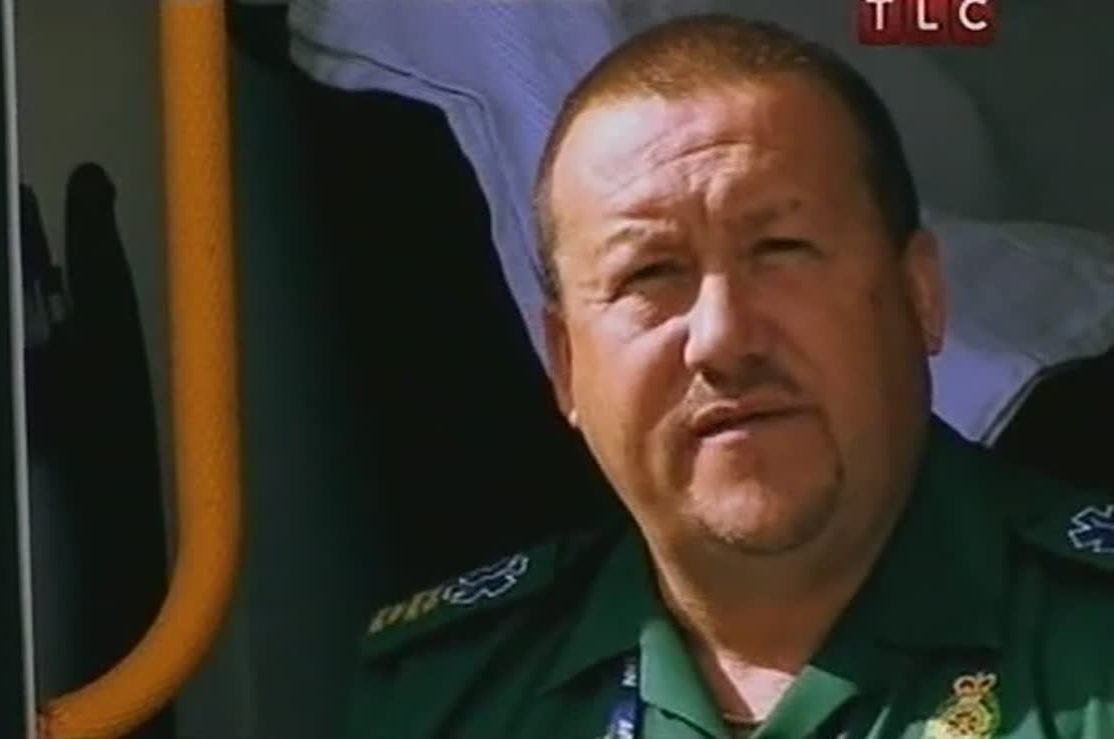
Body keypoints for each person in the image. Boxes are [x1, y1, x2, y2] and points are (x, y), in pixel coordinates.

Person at [343, 14, 1114, 739]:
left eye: (781, 250)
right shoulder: (443, 701)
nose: (722, 338)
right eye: (650, 274)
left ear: (920, 295)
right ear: (566, 363)